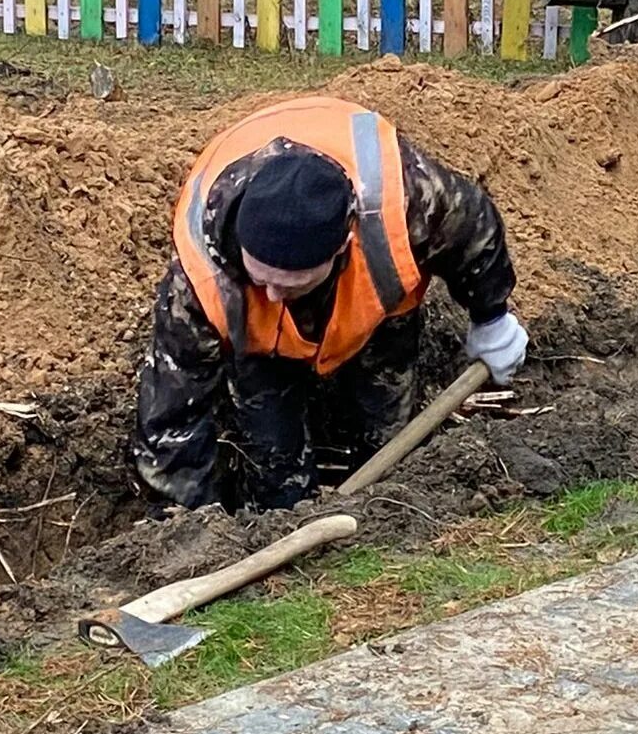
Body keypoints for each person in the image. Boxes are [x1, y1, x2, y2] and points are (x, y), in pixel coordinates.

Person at [132, 96, 527, 510]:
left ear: (343, 248)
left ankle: (383, 515)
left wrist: (492, 317)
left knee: (389, 450)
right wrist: (188, 526)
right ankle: (281, 510)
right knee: (275, 466)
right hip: (260, 349)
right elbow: (171, 417)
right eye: (261, 279)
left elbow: (474, 230)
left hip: (378, 321)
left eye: (290, 286)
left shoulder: (406, 198)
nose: (271, 296)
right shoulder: (199, 276)